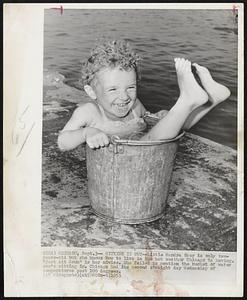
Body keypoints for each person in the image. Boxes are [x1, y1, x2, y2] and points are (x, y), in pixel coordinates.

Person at [57, 40, 230, 150]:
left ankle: (212, 98)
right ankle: (185, 101)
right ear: (91, 92)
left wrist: (157, 117)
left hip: (143, 155)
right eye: (113, 89)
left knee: (174, 124)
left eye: (131, 87)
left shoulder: (134, 106)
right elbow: (62, 142)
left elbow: (147, 121)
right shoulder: (89, 112)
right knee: (150, 140)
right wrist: (87, 133)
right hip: (120, 164)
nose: (124, 97)